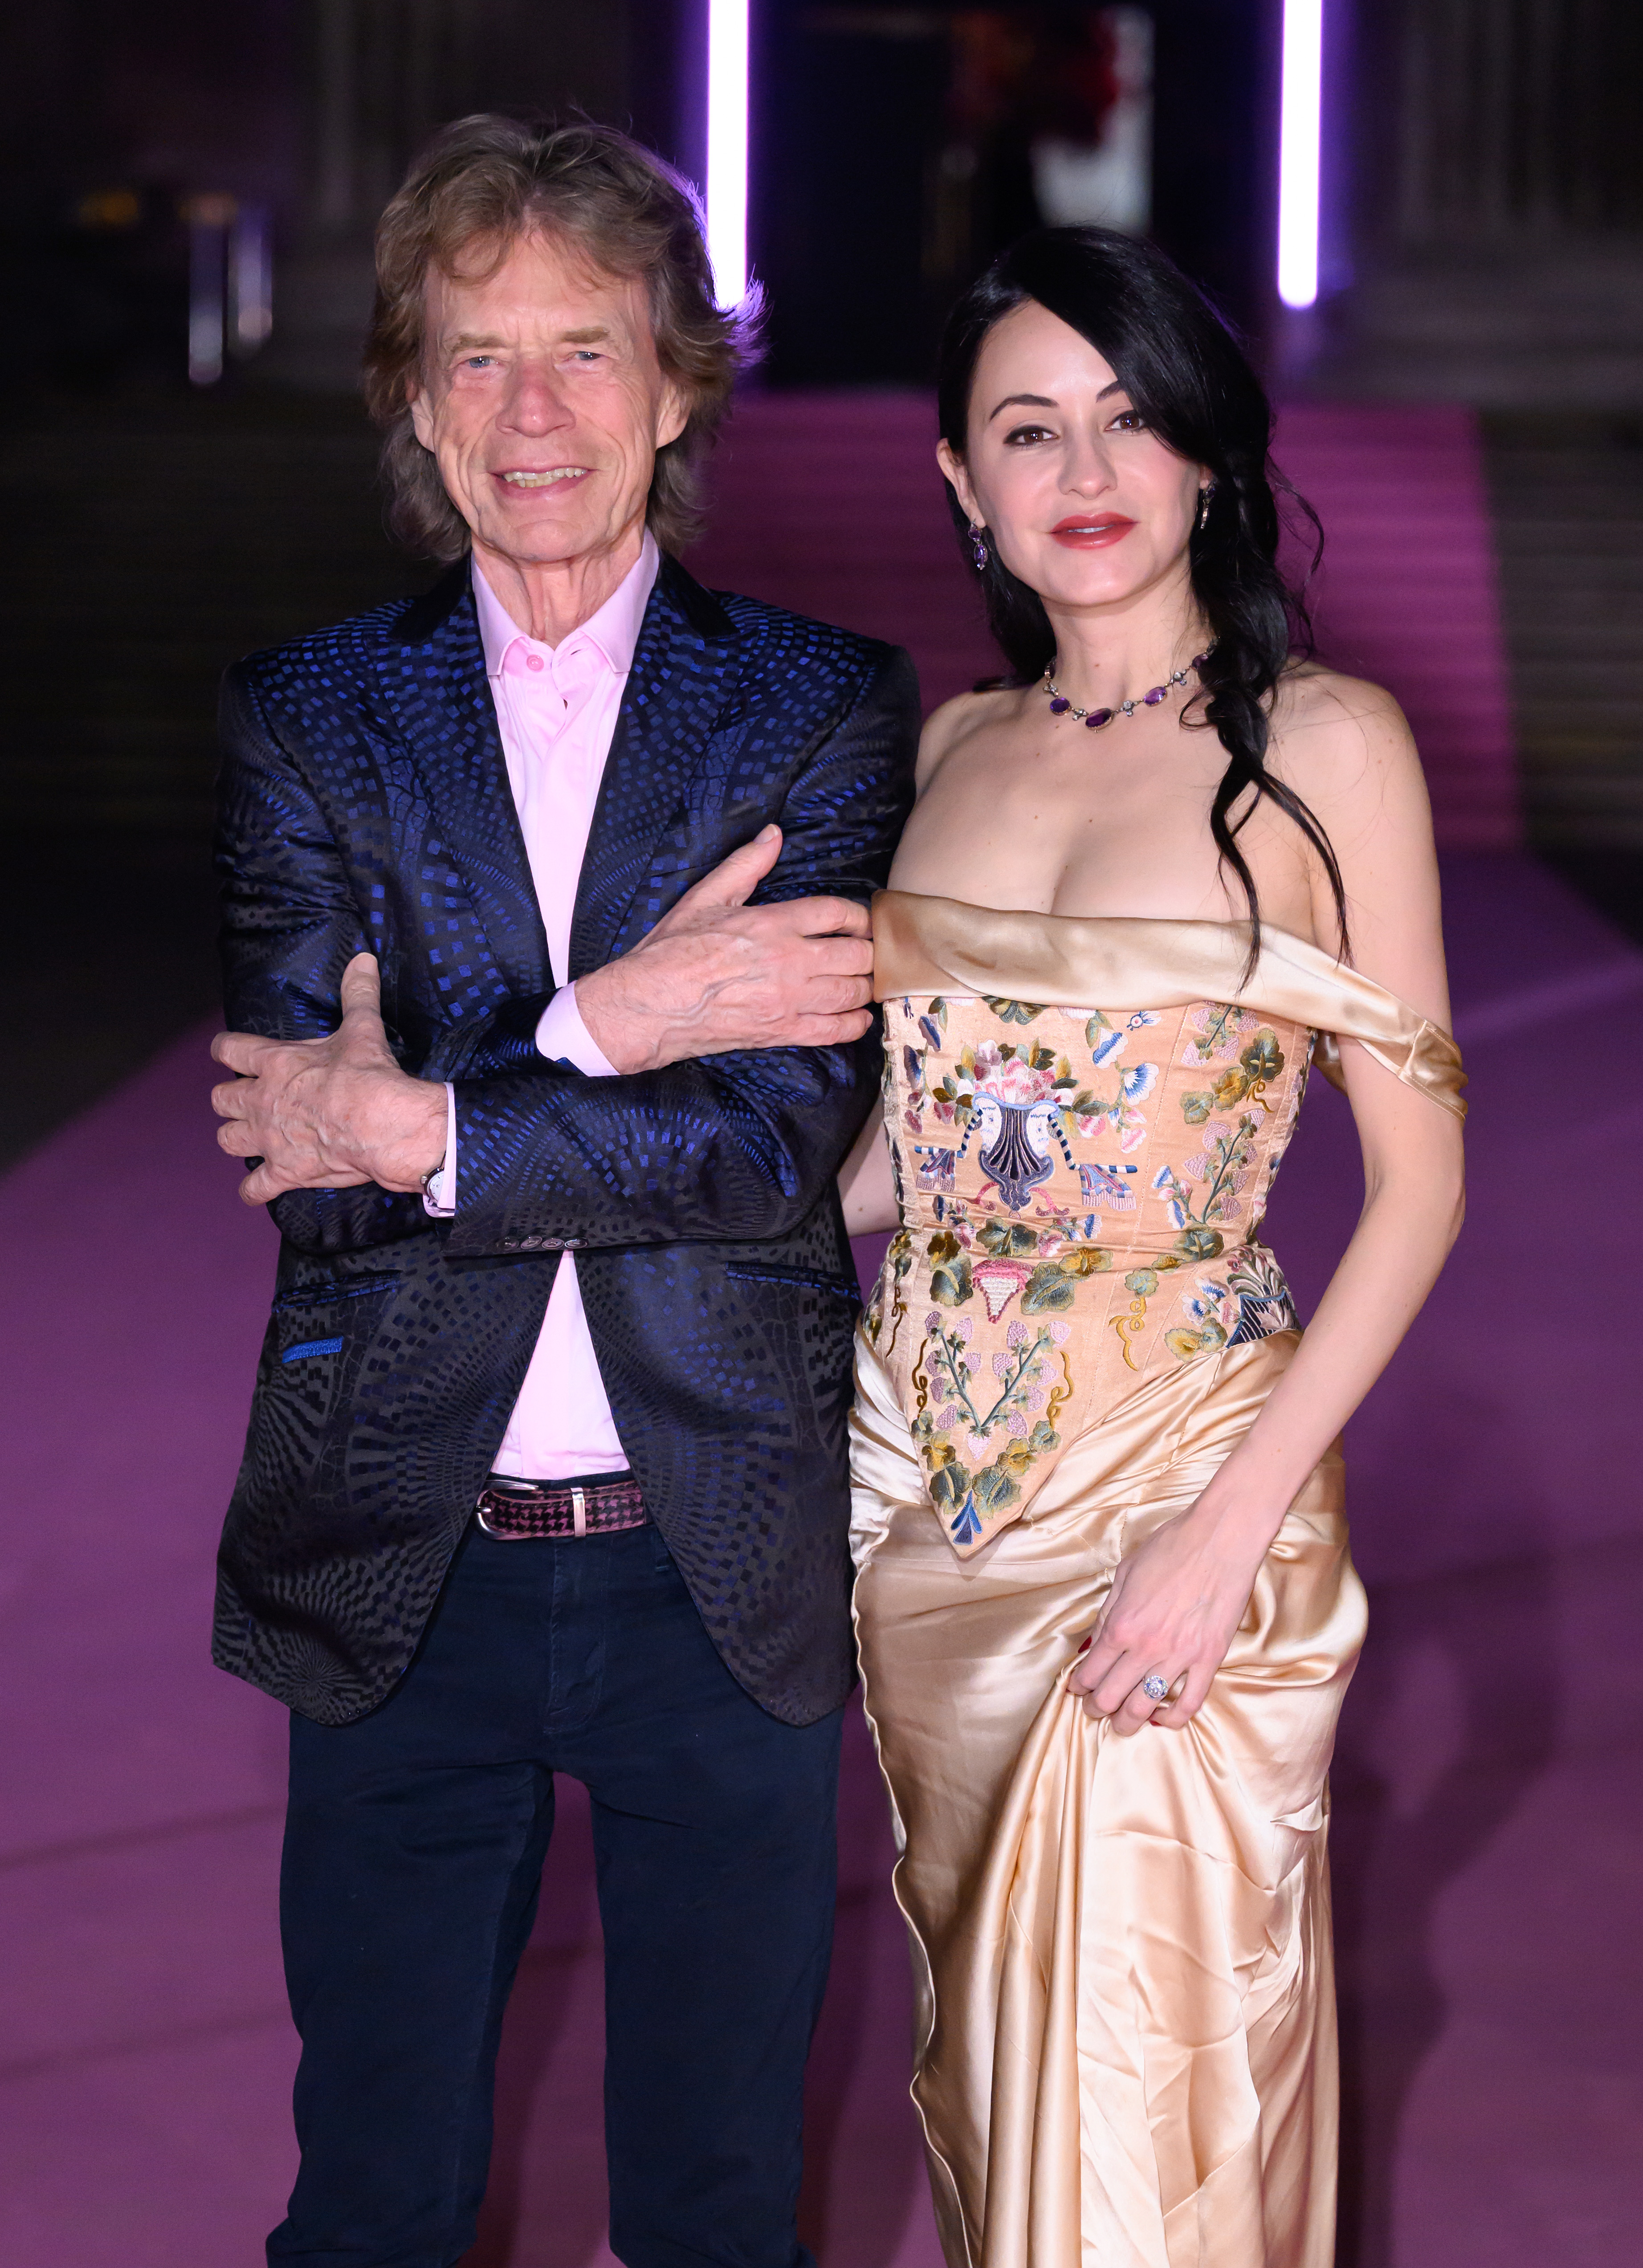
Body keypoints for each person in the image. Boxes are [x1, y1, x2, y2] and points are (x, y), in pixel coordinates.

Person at [206, 117, 916, 2268]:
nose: (533, 412)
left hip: (722, 1556)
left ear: (677, 386)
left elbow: (769, 1152)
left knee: (714, 2207)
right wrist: (618, 1020)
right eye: (477, 355)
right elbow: (303, 1174)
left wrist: (431, 1118)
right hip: (398, 1548)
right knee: (373, 2201)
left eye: (585, 349)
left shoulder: (816, 706)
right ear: (416, 402)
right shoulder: (309, 713)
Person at [836, 226, 1466, 2267]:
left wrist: (1224, 1533)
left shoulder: (1330, 746)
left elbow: (1420, 1184)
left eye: (1128, 416)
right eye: (1028, 428)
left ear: (1207, 450)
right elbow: (907, 1157)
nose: (1085, 468)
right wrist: (587, 1167)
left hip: (1184, 1479)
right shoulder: (948, 747)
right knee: (995, 2071)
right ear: (961, 478)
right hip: (923, 1494)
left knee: (1141, 2086)